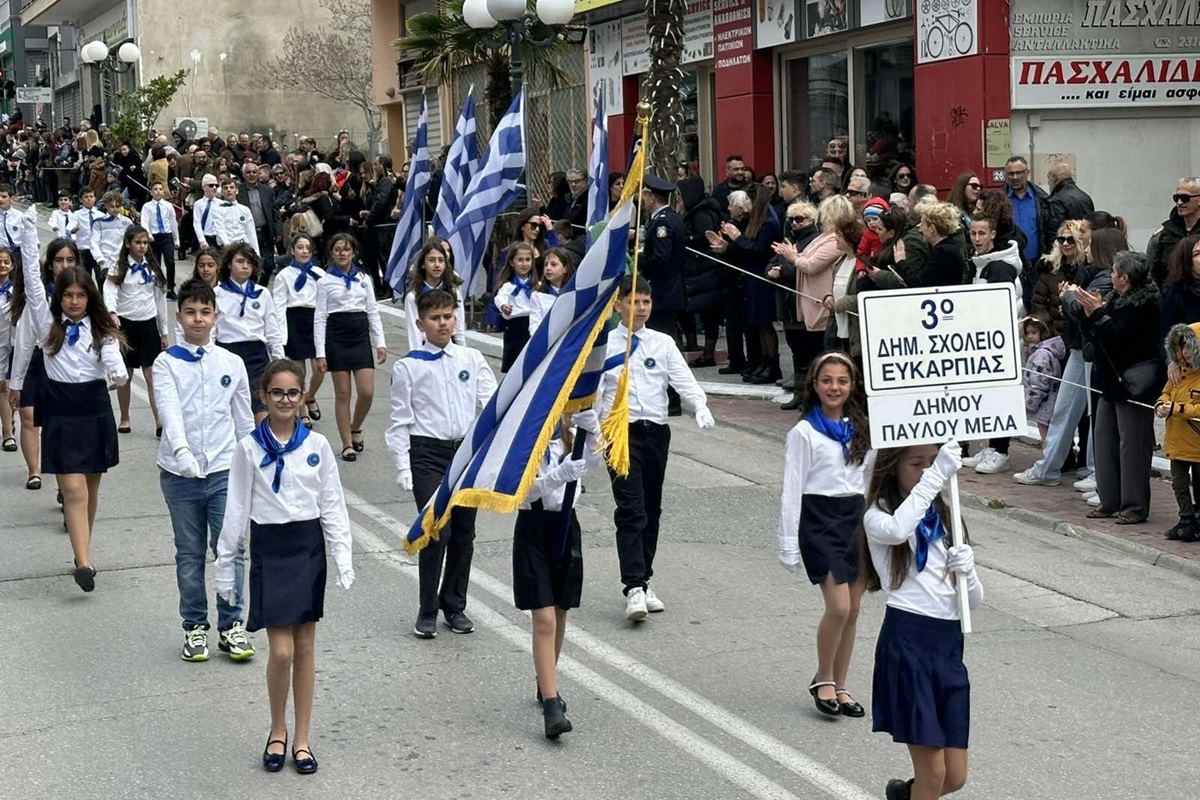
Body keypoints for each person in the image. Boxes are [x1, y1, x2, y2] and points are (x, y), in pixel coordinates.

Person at [214, 358, 355, 775]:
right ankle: (277, 728)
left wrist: (342, 554)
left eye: (294, 393)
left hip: (307, 547)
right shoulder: (249, 448)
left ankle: (303, 739)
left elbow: (332, 504)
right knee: (280, 650)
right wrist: (226, 569)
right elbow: (236, 508)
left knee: (306, 646)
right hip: (271, 549)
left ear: (302, 396)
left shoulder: (317, 446)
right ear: (264, 397)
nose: (286, 400)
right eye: (277, 393)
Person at [861, 440, 982, 800]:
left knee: (954, 777)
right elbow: (900, 529)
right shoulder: (878, 516)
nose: (928, 471)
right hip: (909, 642)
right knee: (932, 773)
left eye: (934, 462)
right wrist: (939, 473)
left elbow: (971, 603)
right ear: (892, 467)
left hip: (948, 647)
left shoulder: (946, 518)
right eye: (917, 463)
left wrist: (970, 573)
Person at [18, 207, 127, 592]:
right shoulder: (47, 326)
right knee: (74, 490)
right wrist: (29, 239)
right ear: (59, 297)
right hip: (63, 412)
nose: (75, 301)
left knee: (91, 489)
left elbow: (112, 356)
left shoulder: (102, 329)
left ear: (89, 298)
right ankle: (82, 562)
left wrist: (117, 372)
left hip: (95, 409)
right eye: (68, 295)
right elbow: (32, 284)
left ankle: (85, 548)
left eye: (81, 295)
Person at [600, 275, 715, 620]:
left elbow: (682, 378)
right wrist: (589, 430)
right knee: (631, 508)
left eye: (646, 302)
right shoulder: (605, 345)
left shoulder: (662, 343)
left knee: (651, 509)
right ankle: (633, 586)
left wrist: (700, 405)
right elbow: (594, 393)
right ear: (619, 305)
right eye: (634, 301)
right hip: (620, 434)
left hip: (655, 432)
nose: (641, 308)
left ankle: (644, 579)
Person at [387, 289, 498, 638]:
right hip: (427, 455)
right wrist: (404, 467)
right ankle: (427, 609)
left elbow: (492, 404)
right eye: (435, 318)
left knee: (464, 534)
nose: (443, 323)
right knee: (437, 531)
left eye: (448, 316)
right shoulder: (409, 366)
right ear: (421, 323)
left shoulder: (471, 358)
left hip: (464, 453)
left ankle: (454, 604)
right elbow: (400, 421)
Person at [155, 279, 256, 661]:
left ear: (216, 315)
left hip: (224, 470)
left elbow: (243, 420)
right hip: (180, 474)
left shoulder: (232, 363)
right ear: (179, 316)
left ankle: (232, 626)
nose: (198, 319)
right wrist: (181, 451)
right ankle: (195, 626)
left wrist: (255, 463)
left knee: (230, 548)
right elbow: (170, 409)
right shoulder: (167, 362)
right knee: (190, 552)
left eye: (205, 312)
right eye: (190, 312)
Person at [778, 352, 871, 718]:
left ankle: (841, 683)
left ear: (851, 387)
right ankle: (823, 676)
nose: (835, 387)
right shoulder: (804, 432)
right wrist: (788, 543)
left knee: (854, 610)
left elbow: (872, 477)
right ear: (814, 386)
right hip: (820, 521)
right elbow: (791, 489)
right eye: (827, 380)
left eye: (842, 381)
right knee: (839, 606)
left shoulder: (861, 428)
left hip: (856, 519)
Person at [1014, 227, 1127, 487]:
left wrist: (1068, 298)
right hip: (1079, 348)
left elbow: (1084, 312)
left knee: (1093, 415)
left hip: (1091, 351)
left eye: (1088, 245)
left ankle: (1093, 471)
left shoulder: (1103, 279)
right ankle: (1051, 468)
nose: (1084, 249)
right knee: (1067, 411)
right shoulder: (1093, 274)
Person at [512, 408, 602, 739]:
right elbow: (518, 491)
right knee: (544, 618)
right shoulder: (523, 438)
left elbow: (591, 462)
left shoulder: (568, 435)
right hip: (534, 528)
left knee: (561, 609)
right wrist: (553, 477)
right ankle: (552, 704)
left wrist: (592, 434)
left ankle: (545, 678)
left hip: (566, 526)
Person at [1076, 251, 1161, 524]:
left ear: (1124, 278)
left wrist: (1098, 314)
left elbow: (1120, 339)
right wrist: (1088, 312)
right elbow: (1096, 334)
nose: (1110, 276)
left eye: (1114, 272)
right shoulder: (1114, 300)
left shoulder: (1145, 306)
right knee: (1103, 441)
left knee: (1132, 447)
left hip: (1134, 386)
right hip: (1109, 383)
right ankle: (1109, 500)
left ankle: (1134, 506)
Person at [313, 233, 387, 461]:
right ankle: (346, 443)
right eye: (337, 250)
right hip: (337, 336)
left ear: (354, 253)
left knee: (366, 391)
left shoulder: (364, 279)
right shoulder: (325, 281)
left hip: (359, 335)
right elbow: (320, 318)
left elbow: (373, 312)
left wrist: (380, 342)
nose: (342, 254)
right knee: (342, 393)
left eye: (346, 250)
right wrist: (320, 352)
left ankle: (355, 426)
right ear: (331, 254)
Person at [709, 184, 782, 384]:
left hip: (761, 276)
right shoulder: (757, 221)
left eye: (749, 200)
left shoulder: (768, 223)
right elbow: (747, 248)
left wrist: (737, 238)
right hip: (752, 275)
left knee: (764, 322)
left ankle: (772, 364)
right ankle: (765, 362)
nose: (746, 204)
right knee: (758, 324)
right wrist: (730, 245)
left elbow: (758, 251)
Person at [103, 225, 169, 435]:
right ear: (128, 244)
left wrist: (163, 331)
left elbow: (160, 300)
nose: (142, 247)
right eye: (138, 242)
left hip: (148, 325)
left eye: (145, 243)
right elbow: (109, 290)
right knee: (126, 375)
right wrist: (112, 313)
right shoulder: (118, 267)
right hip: (126, 325)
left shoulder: (153, 267)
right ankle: (124, 417)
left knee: (152, 375)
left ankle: (159, 420)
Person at [215, 243, 285, 421]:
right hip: (227, 354)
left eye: (249, 262)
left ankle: (263, 446)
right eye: (239, 261)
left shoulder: (262, 293)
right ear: (229, 264)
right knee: (230, 408)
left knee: (261, 405)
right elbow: (211, 331)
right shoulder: (216, 293)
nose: (245, 266)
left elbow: (272, 331)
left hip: (257, 356)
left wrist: (279, 361)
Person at [271, 233, 326, 427]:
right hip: (293, 320)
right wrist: (279, 334)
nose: (304, 251)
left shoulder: (320, 274)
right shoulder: (283, 275)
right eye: (300, 247)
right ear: (293, 250)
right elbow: (278, 306)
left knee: (320, 367)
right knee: (299, 371)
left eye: (307, 248)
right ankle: (302, 410)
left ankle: (309, 396)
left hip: (315, 320)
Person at [1157, 322, 1200, 542]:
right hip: (1177, 442)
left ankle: (1197, 520)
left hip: (1197, 445)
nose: (1184, 352)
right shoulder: (1177, 373)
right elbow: (1166, 393)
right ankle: (1185, 518)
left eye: (1190, 347)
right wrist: (1161, 405)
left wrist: (1177, 409)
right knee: (1179, 484)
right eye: (1182, 347)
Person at [677, 175, 723, 367]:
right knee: (690, 308)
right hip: (695, 269)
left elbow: (705, 238)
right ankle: (694, 345)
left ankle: (708, 352)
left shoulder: (701, 214)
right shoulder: (693, 211)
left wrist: (684, 240)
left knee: (707, 311)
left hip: (704, 268)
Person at [403, 239, 466, 350]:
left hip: (451, 345)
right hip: (425, 346)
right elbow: (414, 332)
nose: (437, 265)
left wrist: (463, 351)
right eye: (431, 260)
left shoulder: (453, 291)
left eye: (441, 260)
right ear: (423, 264)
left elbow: (459, 325)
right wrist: (417, 358)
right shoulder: (413, 296)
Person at [894, 202, 967, 288]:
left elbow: (918, 282)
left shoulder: (943, 252)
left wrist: (901, 261)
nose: (920, 230)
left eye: (922, 225)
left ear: (932, 228)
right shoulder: (949, 248)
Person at [493, 241, 538, 373]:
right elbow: (499, 297)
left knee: (531, 362)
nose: (524, 264)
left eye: (528, 260)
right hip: (514, 327)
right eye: (520, 260)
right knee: (513, 365)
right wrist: (503, 306)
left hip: (532, 324)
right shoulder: (508, 285)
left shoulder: (537, 285)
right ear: (512, 263)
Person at [1149, 177, 1200, 286]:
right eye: (1176, 198)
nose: (1179, 202)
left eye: (1185, 198)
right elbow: (1156, 271)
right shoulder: (1166, 231)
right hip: (1173, 295)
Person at [1022, 316, 1064, 448]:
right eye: (1027, 333)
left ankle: (1047, 461)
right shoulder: (1044, 352)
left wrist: (1030, 403)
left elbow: (1038, 381)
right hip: (1049, 400)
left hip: (1044, 402)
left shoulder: (1041, 355)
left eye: (1033, 333)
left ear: (1043, 333)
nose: (1029, 336)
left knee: (1046, 436)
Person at [1003, 156, 1049, 263]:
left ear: (1027, 173)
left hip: (1037, 264)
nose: (1015, 177)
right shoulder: (998, 200)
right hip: (1008, 262)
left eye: (1019, 173)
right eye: (1010, 174)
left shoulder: (1042, 199)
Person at [141, 180, 180, 299]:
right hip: (154, 237)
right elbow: (145, 221)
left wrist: (176, 239)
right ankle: (157, 285)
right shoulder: (147, 207)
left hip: (166, 236)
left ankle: (170, 288)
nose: (158, 191)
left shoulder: (168, 206)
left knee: (170, 261)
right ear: (151, 192)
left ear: (163, 192)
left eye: (160, 189)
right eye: (155, 189)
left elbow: (173, 222)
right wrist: (148, 234)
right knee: (155, 263)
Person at [529, 247, 576, 336]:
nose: (548, 268)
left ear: (565, 268)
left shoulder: (573, 293)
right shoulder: (538, 295)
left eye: (553, 264)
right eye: (546, 264)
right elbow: (535, 324)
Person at [1044, 162, 1095, 242]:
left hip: (1066, 246)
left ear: (1054, 177)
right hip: (1084, 245)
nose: (1048, 182)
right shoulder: (1085, 197)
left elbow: (1055, 232)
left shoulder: (1056, 201)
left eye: (1048, 177)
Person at [91, 190, 133, 275]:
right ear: (106, 205)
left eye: (118, 206)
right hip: (106, 260)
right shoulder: (99, 222)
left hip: (122, 260)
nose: (115, 209)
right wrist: (100, 258)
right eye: (112, 206)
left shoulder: (127, 222)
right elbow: (94, 242)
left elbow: (132, 240)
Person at [213, 178, 259, 254]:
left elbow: (251, 232)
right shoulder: (217, 209)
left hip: (243, 246)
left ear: (236, 191)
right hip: (226, 246)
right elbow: (220, 228)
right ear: (222, 192)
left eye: (231, 187)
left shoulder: (244, 209)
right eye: (225, 188)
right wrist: (227, 245)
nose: (229, 190)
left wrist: (256, 252)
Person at [70, 187, 101, 283]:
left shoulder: (101, 215)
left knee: (101, 278)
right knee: (85, 279)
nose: (89, 199)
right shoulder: (77, 215)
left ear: (95, 198)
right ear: (81, 200)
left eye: (91, 196)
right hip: (84, 250)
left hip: (98, 250)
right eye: (86, 197)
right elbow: (70, 227)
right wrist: (73, 229)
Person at [192, 174, 221, 250]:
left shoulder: (221, 203)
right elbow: (197, 223)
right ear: (204, 187)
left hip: (218, 238)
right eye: (211, 185)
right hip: (206, 237)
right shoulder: (198, 204)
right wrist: (202, 240)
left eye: (216, 185)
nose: (214, 188)